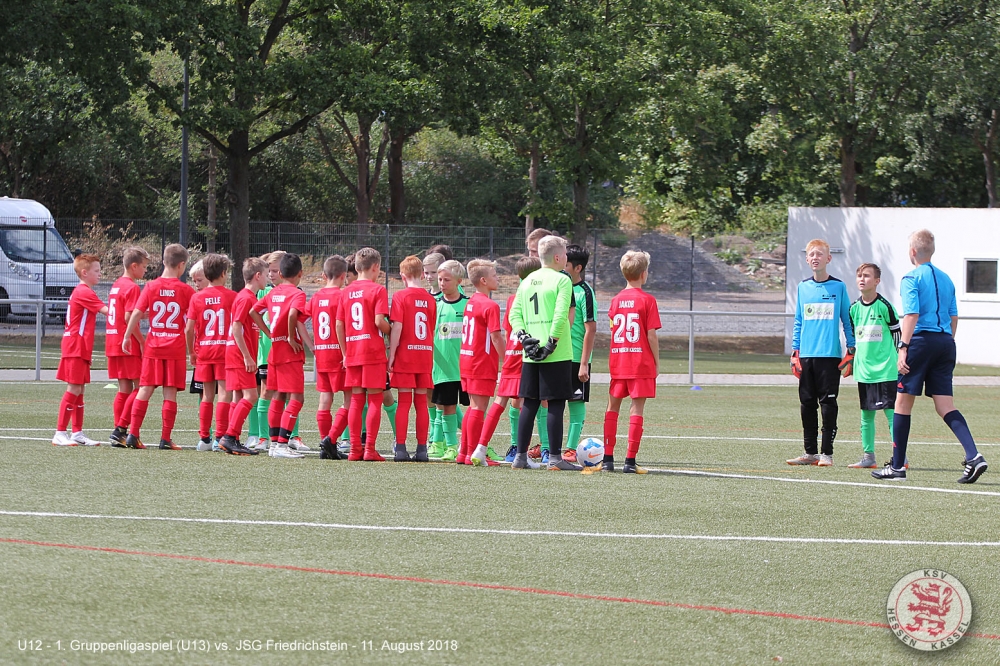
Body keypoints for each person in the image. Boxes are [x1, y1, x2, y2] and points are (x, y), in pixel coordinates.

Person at [873, 230, 989, 483]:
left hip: (922, 342)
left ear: (912, 251)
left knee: (903, 403)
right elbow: (953, 316)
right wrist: (947, 342)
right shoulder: (946, 279)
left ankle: (897, 467)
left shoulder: (911, 277)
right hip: (946, 342)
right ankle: (974, 456)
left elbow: (911, 314)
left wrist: (903, 347)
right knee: (945, 405)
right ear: (931, 250)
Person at [585, 251, 661, 474]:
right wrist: (656, 362)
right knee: (636, 409)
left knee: (612, 407)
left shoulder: (616, 300)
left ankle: (607, 459)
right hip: (640, 362)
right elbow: (651, 335)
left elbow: (613, 328)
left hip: (619, 361)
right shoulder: (648, 300)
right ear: (644, 273)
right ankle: (629, 461)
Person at [508, 235, 578, 471]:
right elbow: (560, 316)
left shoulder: (527, 280)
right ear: (558, 257)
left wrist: (524, 339)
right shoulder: (562, 280)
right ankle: (556, 458)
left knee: (530, 402)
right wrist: (551, 343)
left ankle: (520, 457)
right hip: (555, 352)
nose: (566, 257)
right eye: (565, 253)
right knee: (556, 403)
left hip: (530, 352)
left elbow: (513, 315)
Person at [786, 238, 855, 467]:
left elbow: (847, 320)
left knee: (828, 405)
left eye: (819, 254)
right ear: (807, 259)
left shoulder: (839, 287)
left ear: (828, 258)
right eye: (811, 254)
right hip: (806, 355)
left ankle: (827, 453)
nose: (815, 258)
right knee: (807, 403)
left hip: (830, 356)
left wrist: (851, 348)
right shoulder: (803, 287)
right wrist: (795, 351)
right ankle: (809, 452)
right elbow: (798, 321)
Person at [121, 244, 195, 450]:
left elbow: (136, 313)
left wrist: (127, 336)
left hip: (154, 346)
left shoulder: (151, 286)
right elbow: (191, 321)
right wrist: (193, 348)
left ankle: (133, 434)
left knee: (144, 389)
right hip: (175, 347)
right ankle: (165, 439)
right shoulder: (186, 290)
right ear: (181, 265)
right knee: (170, 392)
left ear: (163, 261)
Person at [482, 256, 540, 464]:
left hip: (511, 353)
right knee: (533, 402)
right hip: (527, 355)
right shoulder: (536, 295)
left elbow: (509, 328)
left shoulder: (512, 298)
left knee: (502, 401)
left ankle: (482, 446)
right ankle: (528, 451)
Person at [336, 247, 391, 461]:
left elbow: (339, 324)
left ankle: (354, 449)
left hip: (353, 352)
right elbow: (379, 321)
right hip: (373, 352)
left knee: (356, 400)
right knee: (375, 400)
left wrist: (345, 353)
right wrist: (392, 329)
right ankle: (369, 449)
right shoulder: (378, 290)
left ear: (357, 267)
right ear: (376, 267)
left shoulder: (346, 291)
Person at [254, 253, 311, 459]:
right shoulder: (297, 293)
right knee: (297, 397)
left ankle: (273, 443)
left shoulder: (273, 292)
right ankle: (282, 444)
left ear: (280, 272)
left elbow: (254, 312)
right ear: (300, 274)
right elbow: (292, 315)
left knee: (277, 396)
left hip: (274, 350)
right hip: (289, 352)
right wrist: (290, 336)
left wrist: (268, 332)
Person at [846, 263, 900, 469]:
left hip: (886, 370)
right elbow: (854, 339)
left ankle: (900, 457)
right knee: (866, 417)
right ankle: (869, 457)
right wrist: (850, 358)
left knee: (892, 416)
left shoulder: (885, 306)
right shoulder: (853, 309)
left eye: (867, 276)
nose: (862, 279)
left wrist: (899, 360)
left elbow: (897, 335)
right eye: (859, 275)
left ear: (877, 281)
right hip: (864, 372)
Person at [52, 253, 108, 447]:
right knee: (74, 388)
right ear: (84, 273)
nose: (100, 274)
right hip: (75, 345)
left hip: (81, 346)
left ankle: (77, 432)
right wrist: (135, 314)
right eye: (96, 271)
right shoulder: (84, 292)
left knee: (80, 389)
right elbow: (108, 312)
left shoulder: (85, 291)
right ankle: (60, 432)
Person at [218, 258, 271, 455]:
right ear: (258, 276)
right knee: (251, 395)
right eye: (266, 275)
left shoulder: (248, 297)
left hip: (235, 353)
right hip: (239, 354)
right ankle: (230, 436)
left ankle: (231, 438)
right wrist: (248, 357)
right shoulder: (246, 298)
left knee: (238, 396)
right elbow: (237, 327)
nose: (267, 279)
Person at [185, 254, 236, 451]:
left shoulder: (197, 298)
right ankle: (220, 438)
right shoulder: (233, 296)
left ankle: (204, 438)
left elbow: (189, 329)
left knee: (207, 395)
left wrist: (191, 352)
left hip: (204, 351)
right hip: (225, 351)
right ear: (224, 273)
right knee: (224, 394)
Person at [388, 255, 436, 462]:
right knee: (421, 403)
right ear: (422, 275)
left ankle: (400, 448)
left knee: (404, 402)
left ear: (402, 275)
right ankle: (422, 449)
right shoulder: (431, 298)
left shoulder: (400, 296)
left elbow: (397, 326)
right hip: (424, 355)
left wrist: (391, 354)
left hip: (406, 355)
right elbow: (431, 328)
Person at [460, 259, 505, 467]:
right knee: (479, 408)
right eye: (495, 275)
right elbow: (496, 337)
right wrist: (507, 361)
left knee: (472, 406)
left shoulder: (471, 302)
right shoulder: (490, 305)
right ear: (484, 280)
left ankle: (463, 452)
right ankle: (473, 453)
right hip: (481, 362)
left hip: (467, 359)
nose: (498, 278)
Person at [308, 255, 350, 460]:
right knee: (351, 399)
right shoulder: (343, 296)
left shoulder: (316, 297)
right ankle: (331, 440)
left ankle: (326, 443)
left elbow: (297, 318)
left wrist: (310, 344)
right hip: (339, 355)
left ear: (324, 275)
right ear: (344, 276)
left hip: (322, 353)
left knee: (325, 399)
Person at [107, 247, 149, 447]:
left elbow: (128, 313)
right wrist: (141, 341)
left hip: (113, 341)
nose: (145, 271)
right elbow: (127, 317)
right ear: (134, 266)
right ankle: (121, 429)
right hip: (128, 343)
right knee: (141, 386)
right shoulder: (132, 287)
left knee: (124, 387)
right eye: (144, 267)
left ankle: (119, 431)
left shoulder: (117, 285)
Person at [429, 259, 469, 461]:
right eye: (440, 279)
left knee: (472, 408)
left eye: (446, 279)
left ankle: (475, 442)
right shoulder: (435, 305)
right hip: (442, 368)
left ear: (459, 281)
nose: (442, 283)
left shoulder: (468, 305)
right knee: (447, 407)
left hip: (465, 367)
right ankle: (451, 446)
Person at [563, 243, 596, 462]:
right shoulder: (560, 286)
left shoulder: (585, 292)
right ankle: (547, 446)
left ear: (577, 268)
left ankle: (571, 448)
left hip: (576, 357)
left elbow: (590, 329)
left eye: (565, 263)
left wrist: (584, 363)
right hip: (558, 356)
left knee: (575, 402)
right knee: (547, 402)